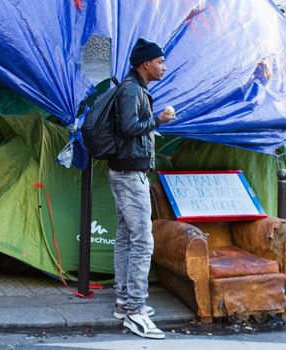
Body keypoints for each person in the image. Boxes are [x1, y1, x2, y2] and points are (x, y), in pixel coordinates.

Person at [108, 37, 173, 339]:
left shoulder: (136, 88)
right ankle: (135, 311)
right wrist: (157, 120)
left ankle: (124, 301)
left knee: (126, 235)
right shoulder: (132, 89)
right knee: (143, 241)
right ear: (145, 63)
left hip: (126, 172)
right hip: (129, 174)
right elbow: (128, 128)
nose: (163, 66)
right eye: (160, 61)